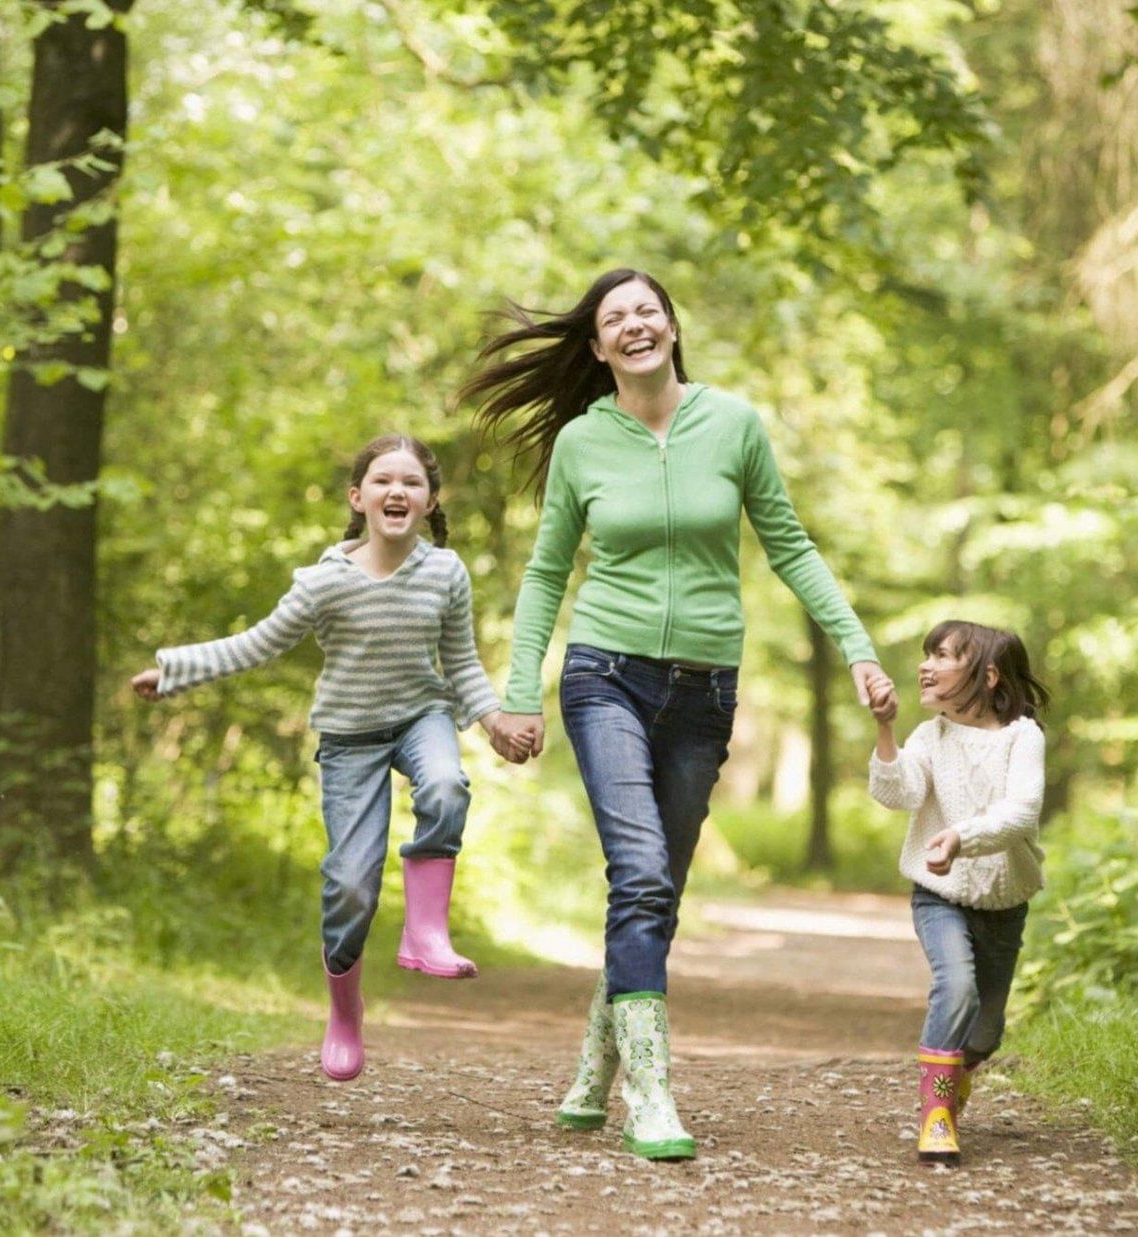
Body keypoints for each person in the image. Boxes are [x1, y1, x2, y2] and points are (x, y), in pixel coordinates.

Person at [462, 268, 897, 1161]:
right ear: (595, 346)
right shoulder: (585, 441)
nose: (633, 326)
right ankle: (650, 1095)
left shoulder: (732, 423)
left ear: (671, 328)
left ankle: (595, 1062)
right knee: (643, 872)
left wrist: (856, 646)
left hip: (705, 689)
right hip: (604, 675)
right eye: (614, 318)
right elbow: (548, 571)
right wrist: (518, 692)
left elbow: (789, 542)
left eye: (647, 312)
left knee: (655, 891)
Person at [130, 433, 534, 1082]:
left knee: (446, 786)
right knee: (350, 884)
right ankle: (345, 1010)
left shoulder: (446, 572)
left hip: (420, 718)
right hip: (349, 736)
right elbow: (255, 644)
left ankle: (424, 933)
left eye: (411, 481)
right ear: (358, 496)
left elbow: (459, 663)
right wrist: (173, 671)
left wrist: (492, 722)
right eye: (382, 480)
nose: (396, 490)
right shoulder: (325, 582)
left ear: (430, 501)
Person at [868, 620, 1050, 1164]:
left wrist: (961, 836)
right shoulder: (930, 736)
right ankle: (937, 1116)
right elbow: (898, 794)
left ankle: (956, 1074)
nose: (925, 665)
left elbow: (1021, 812)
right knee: (958, 987)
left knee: (986, 1032)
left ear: (988, 675)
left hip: (1004, 902)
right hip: (938, 893)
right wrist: (885, 731)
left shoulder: (1023, 737)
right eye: (926, 654)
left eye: (941, 655)